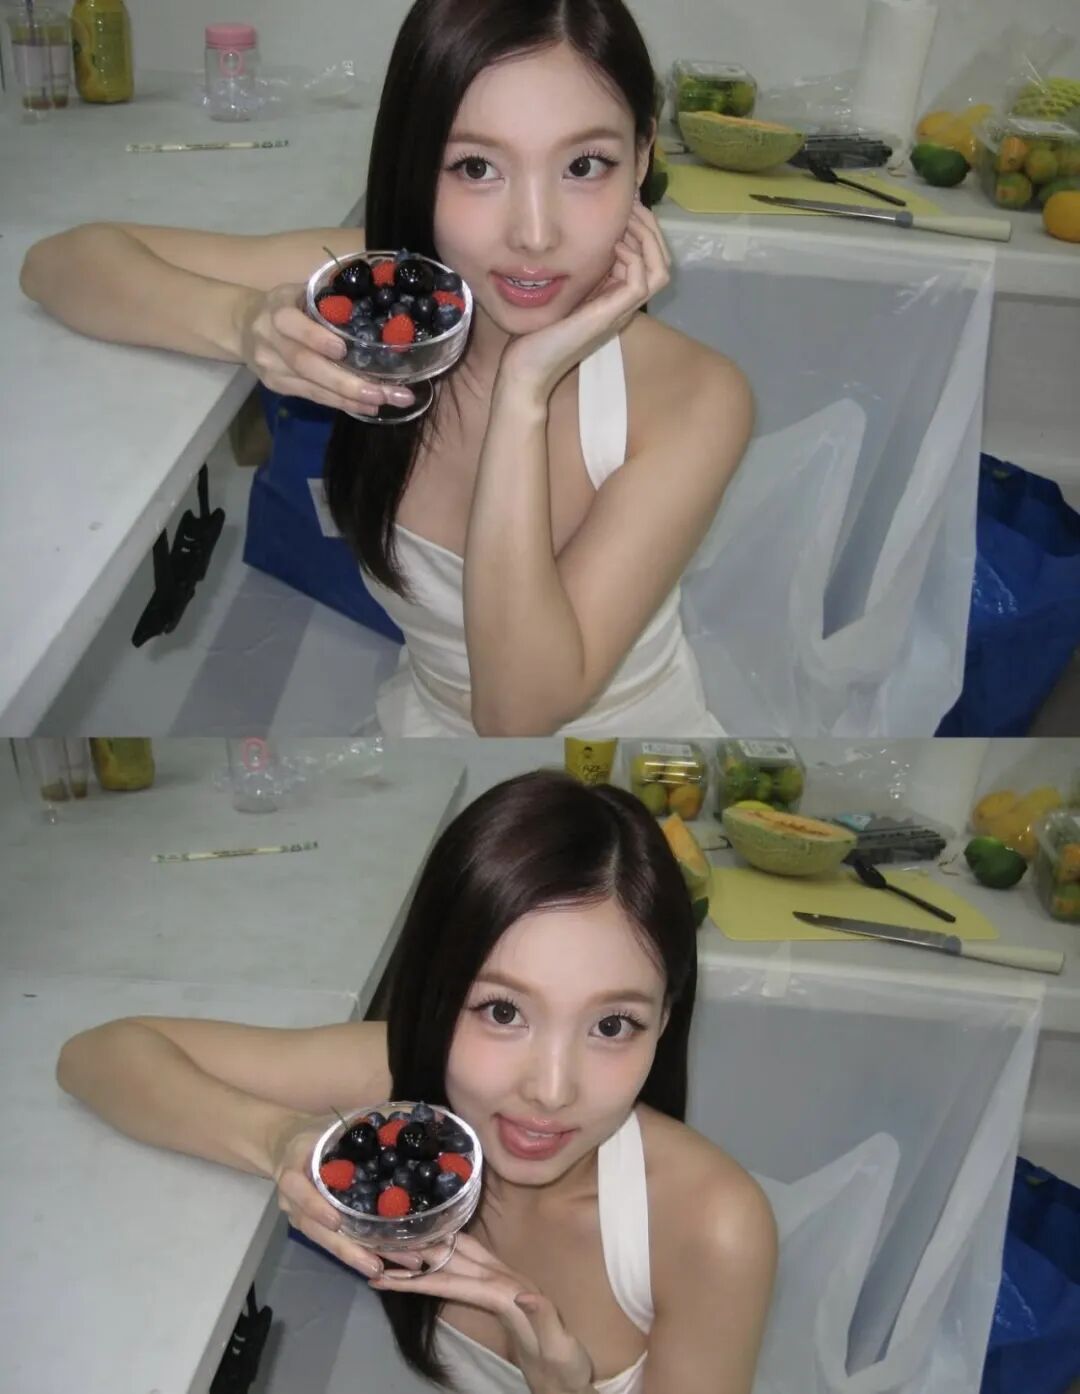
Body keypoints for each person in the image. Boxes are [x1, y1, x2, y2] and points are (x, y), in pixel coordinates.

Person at [20, 0, 752, 738]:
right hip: (422, 727)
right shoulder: (390, 290)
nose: (535, 234)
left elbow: (516, 716)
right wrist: (244, 325)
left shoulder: (695, 399)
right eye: (476, 167)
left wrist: (522, 393)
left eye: (584, 165)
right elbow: (60, 263)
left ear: (643, 155)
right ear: (416, 160)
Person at [57, 770, 777, 1393]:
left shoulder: (710, 1229)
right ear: (435, 994)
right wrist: (282, 1142)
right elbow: (99, 1054)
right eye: (503, 1011)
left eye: (613, 1025)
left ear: (665, 1021)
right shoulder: (403, 1084)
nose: (552, 1090)